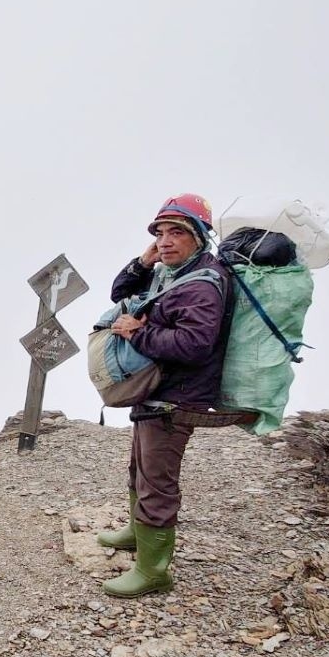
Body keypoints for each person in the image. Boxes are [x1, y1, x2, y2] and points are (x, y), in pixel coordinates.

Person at [96, 193, 231, 598]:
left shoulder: (203, 286)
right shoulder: (169, 271)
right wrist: (144, 260)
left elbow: (194, 345)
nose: (166, 240)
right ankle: (138, 533)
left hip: (177, 398)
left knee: (157, 479)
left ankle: (154, 571)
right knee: (139, 466)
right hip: (157, 389)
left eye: (177, 232)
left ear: (200, 237)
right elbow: (119, 289)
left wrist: (137, 333)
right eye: (160, 233)